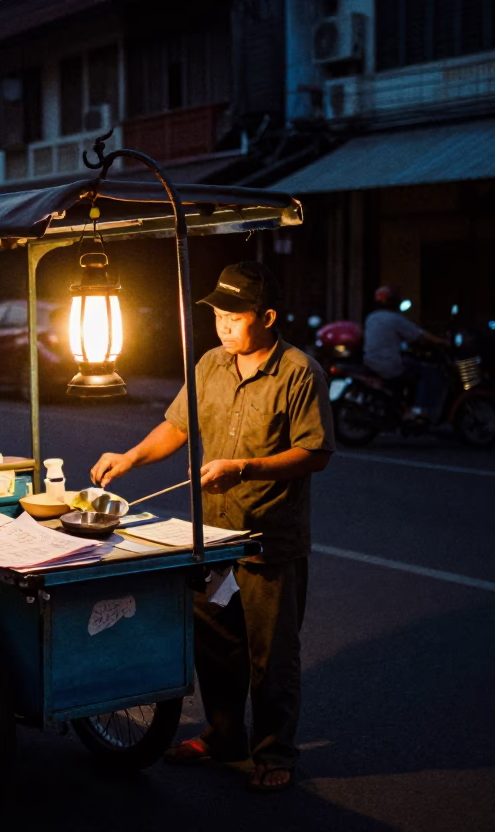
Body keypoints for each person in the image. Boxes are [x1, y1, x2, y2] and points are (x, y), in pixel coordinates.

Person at [90, 262, 334, 793]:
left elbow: (315, 453)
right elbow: (178, 426)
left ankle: (275, 752)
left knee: (273, 654)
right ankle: (225, 738)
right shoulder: (209, 365)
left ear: (266, 317)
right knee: (215, 643)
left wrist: (244, 468)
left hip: (270, 539)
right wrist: (129, 457)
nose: (223, 327)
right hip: (212, 537)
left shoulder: (299, 372)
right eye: (218, 316)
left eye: (235, 317)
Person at [362, 285, 450, 422]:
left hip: (370, 362)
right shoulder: (396, 319)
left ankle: (403, 404)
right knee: (425, 371)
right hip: (388, 363)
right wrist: (443, 342)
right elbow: (420, 336)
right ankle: (417, 410)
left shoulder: (371, 317)